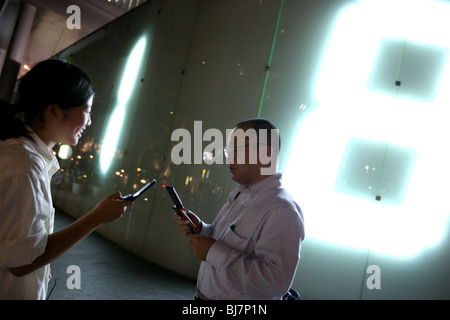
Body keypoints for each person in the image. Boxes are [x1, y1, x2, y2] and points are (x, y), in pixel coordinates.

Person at [0, 59, 133, 300]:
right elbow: (20, 264)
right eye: (87, 110)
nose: (89, 122)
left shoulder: (23, 155)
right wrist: (97, 217)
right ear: (54, 110)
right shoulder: (25, 165)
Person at [174, 118, 305, 300]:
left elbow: (275, 283)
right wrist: (201, 229)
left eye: (236, 150)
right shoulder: (239, 194)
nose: (229, 158)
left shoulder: (282, 210)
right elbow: (221, 237)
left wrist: (213, 252)